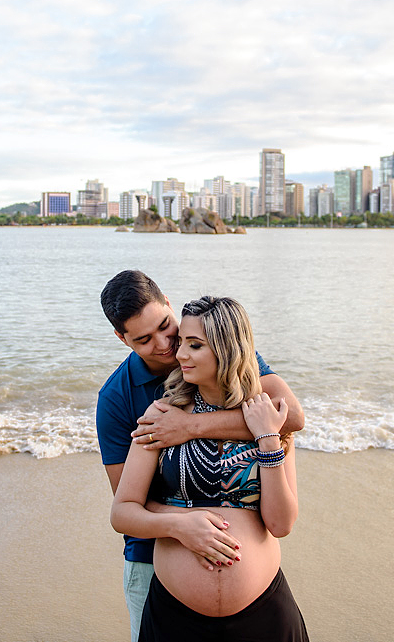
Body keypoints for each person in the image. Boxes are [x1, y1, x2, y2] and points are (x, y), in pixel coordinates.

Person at [98, 271, 304, 642]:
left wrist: (195, 427)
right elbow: (127, 505)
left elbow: (292, 419)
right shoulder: (130, 403)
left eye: (169, 329)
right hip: (159, 577)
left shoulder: (264, 411)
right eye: (144, 340)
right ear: (122, 339)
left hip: (262, 609)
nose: (170, 349)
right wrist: (183, 524)